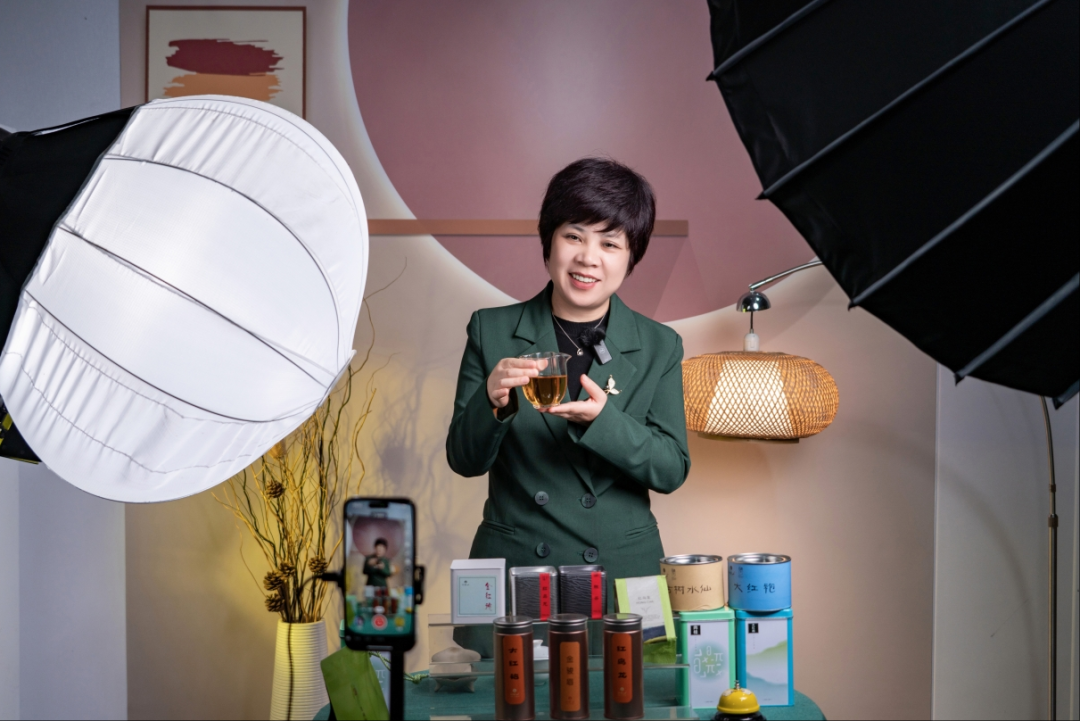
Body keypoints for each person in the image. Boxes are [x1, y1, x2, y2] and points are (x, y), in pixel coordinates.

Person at [446, 157, 691, 612]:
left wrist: (605, 423)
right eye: (574, 236)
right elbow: (463, 460)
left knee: (622, 664)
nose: (588, 258)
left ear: (631, 257)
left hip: (620, 571)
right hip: (519, 566)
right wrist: (492, 402)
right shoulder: (490, 330)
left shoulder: (660, 345)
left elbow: (671, 470)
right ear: (549, 241)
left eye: (610, 243)